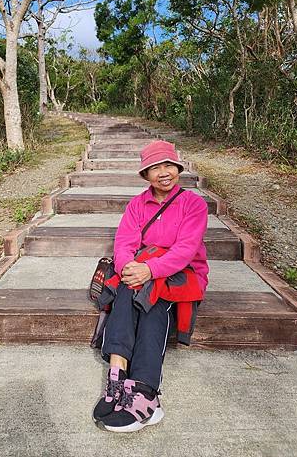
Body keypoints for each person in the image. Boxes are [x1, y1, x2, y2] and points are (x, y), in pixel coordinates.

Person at [93, 140, 209, 433]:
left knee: (155, 303)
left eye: (168, 165)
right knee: (125, 289)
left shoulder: (193, 204)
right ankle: (117, 377)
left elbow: (185, 250)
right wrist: (128, 268)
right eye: (155, 168)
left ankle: (146, 391)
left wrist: (148, 270)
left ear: (178, 168)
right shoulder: (137, 204)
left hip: (181, 275)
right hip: (143, 271)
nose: (164, 172)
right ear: (146, 175)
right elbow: (123, 244)